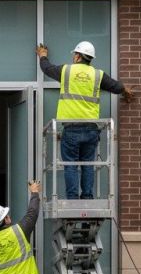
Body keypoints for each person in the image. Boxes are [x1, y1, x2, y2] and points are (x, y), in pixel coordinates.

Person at [36, 41, 133, 199]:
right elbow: (115, 86)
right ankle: (87, 196)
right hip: (91, 130)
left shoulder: (66, 71)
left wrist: (43, 56)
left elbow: (47, 69)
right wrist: (125, 90)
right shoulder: (97, 75)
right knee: (88, 165)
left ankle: (73, 198)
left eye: (75, 54)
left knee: (71, 165)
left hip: (71, 128)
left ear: (78, 56)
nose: (74, 56)